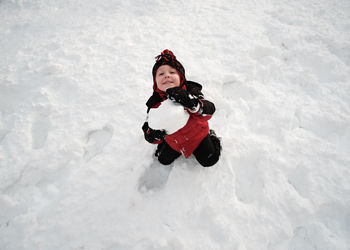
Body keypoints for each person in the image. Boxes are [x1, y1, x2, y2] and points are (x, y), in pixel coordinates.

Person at [142, 49, 221, 167]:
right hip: (174, 141)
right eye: (161, 74)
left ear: (181, 78)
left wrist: (192, 102)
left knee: (209, 159)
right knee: (163, 160)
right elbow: (148, 125)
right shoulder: (154, 103)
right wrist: (153, 134)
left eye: (172, 72)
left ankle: (212, 136)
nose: (167, 75)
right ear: (155, 82)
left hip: (197, 136)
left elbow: (210, 110)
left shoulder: (191, 91)